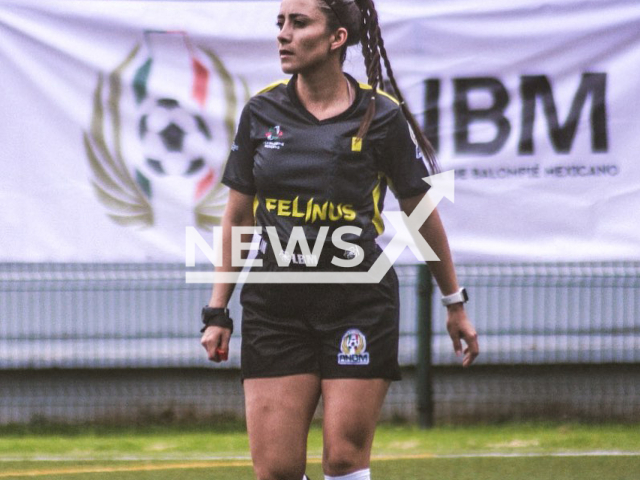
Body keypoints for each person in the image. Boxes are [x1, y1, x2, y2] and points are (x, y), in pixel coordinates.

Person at [200, 0, 479, 479]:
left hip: (357, 304)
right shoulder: (261, 111)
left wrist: (454, 302)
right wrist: (217, 310)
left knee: (345, 458)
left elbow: (420, 214)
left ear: (337, 39)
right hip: (275, 309)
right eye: (281, 23)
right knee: (277, 471)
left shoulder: (381, 116)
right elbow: (238, 217)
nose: (283, 35)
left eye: (299, 23)